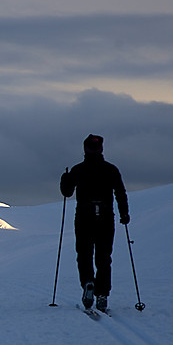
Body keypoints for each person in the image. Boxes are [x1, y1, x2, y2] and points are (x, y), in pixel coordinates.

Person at [59, 134, 129, 313]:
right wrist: (124, 214)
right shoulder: (111, 169)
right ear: (102, 149)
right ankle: (102, 294)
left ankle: (88, 283)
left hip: (84, 215)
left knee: (84, 254)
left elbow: (67, 193)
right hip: (106, 216)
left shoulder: (78, 169)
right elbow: (120, 192)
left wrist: (64, 179)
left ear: (85, 149)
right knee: (104, 256)